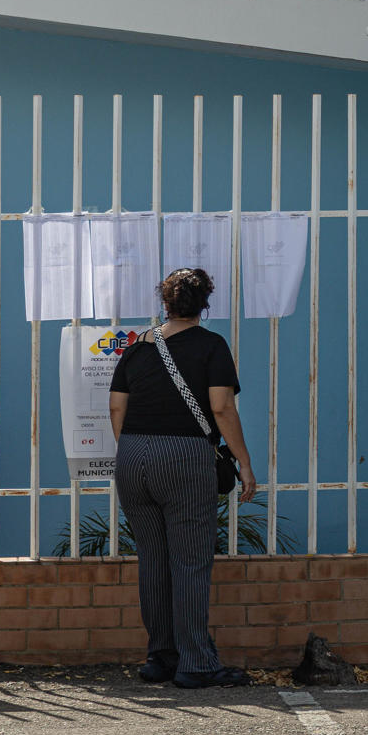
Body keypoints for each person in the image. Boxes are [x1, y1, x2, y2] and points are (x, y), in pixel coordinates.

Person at [109, 267, 258, 689]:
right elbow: (222, 407)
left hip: (133, 453)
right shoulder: (211, 346)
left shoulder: (138, 349)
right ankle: (195, 663)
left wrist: (137, 446)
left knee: (153, 560)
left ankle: (161, 657)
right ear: (204, 304)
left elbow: (117, 408)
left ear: (165, 302)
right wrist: (244, 462)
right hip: (184, 455)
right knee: (190, 562)